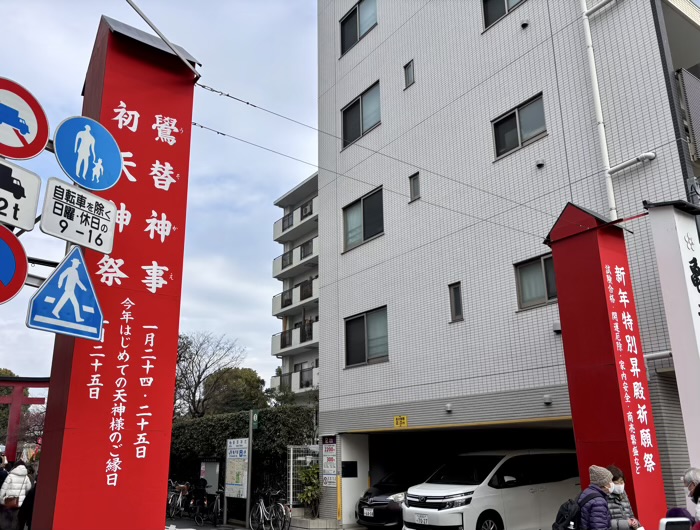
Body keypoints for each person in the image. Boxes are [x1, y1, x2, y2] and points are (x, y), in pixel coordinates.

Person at [606, 466, 641, 530]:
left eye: (621, 482)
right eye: (616, 483)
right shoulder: (605, 497)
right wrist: (626, 523)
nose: (620, 485)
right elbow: (605, 522)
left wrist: (635, 523)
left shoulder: (623, 494)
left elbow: (630, 515)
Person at [580, 465, 616, 530]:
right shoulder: (598, 502)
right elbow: (599, 527)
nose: (612, 483)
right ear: (604, 483)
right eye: (610, 481)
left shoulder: (587, 492)